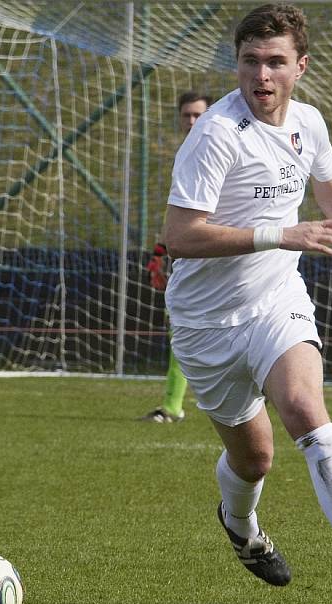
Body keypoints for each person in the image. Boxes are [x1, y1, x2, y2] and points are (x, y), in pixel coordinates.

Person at [163, 3, 332, 604]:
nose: (261, 75)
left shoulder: (309, 123)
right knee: (256, 459)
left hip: (277, 301)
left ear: (301, 66)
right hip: (205, 323)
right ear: (237, 64)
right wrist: (281, 234)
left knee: (305, 408)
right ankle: (241, 525)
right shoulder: (214, 133)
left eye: (275, 62)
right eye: (250, 61)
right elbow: (182, 237)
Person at [139, 91, 212, 424]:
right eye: (187, 116)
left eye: (199, 115)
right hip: (192, 258)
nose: (192, 121)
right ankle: (172, 406)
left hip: (229, 255)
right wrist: (159, 251)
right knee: (181, 332)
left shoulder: (223, 147)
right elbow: (177, 215)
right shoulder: (186, 154)